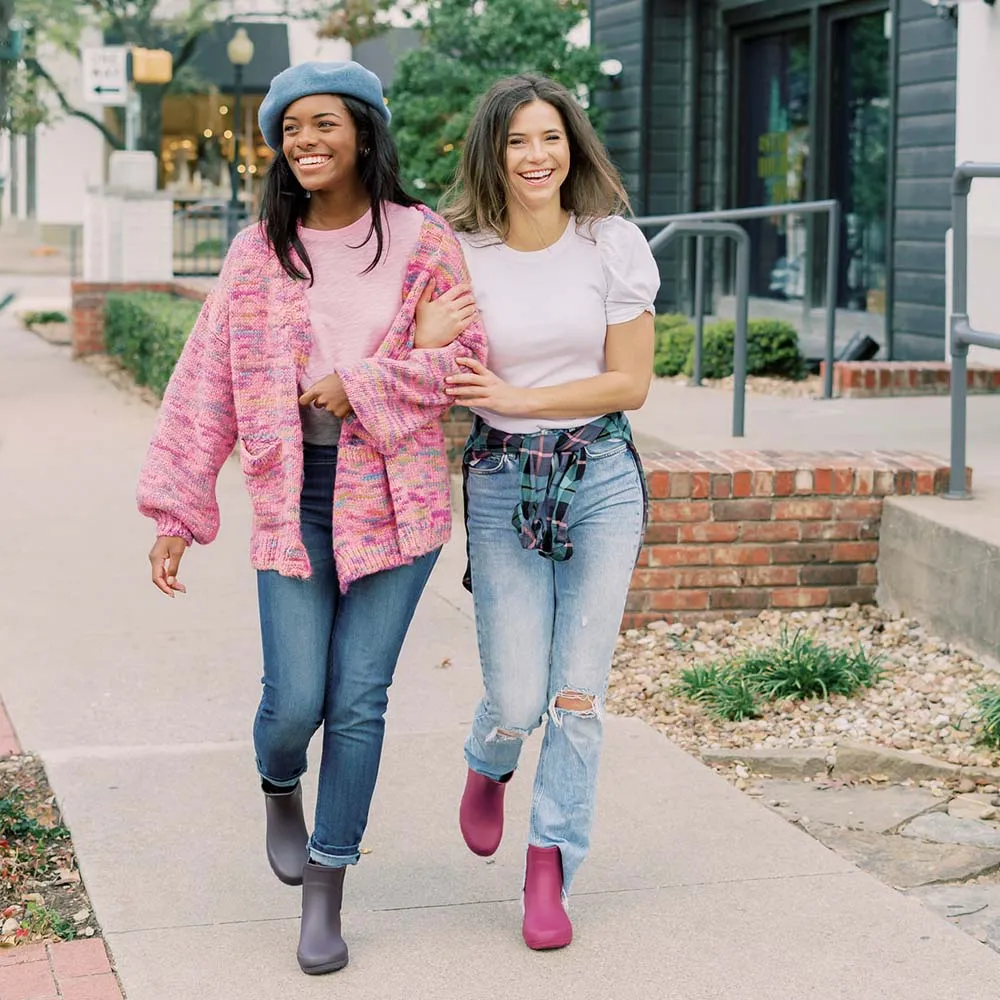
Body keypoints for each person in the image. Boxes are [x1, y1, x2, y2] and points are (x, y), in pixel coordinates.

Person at [136, 60, 485, 976]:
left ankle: (328, 888)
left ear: (365, 130)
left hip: (398, 506)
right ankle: (277, 779)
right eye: (291, 130)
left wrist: (362, 382)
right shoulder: (260, 251)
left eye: (324, 124)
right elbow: (207, 378)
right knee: (294, 703)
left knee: (359, 701)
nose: (306, 142)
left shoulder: (425, 239)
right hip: (292, 499)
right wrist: (179, 505)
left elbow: (469, 360)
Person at [439, 73, 660, 951]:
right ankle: (489, 758)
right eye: (518, 141)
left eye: (551, 138)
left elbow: (630, 383)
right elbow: (428, 359)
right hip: (500, 479)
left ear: (574, 146)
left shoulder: (611, 244)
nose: (536, 156)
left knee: (576, 694)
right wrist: (428, 347)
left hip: (600, 472)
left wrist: (519, 397)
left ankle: (549, 864)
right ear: (492, 152)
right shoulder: (460, 251)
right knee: (519, 694)